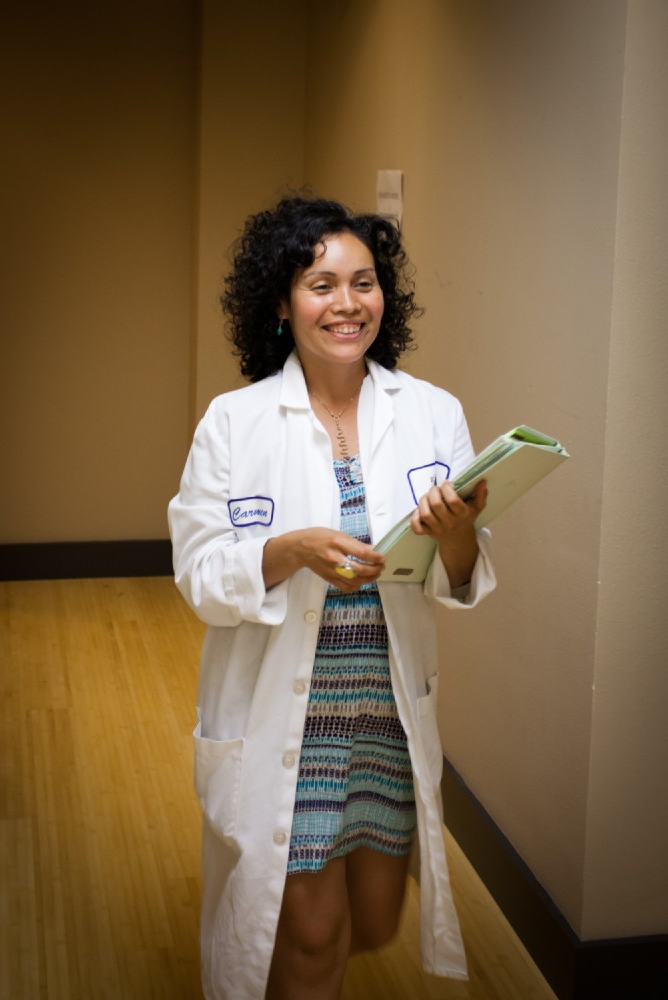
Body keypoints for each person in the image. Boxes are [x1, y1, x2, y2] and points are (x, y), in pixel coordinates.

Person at [168, 195, 496, 1000]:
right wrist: (289, 552)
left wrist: (458, 531)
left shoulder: (431, 414)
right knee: (314, 934)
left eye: (364, 282)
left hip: (385, 715)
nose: (348, 304)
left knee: (373, 920)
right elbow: (202, 575)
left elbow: (459, 578)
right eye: (321, 285)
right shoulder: (233, 424)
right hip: (290, 713)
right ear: (280, 304)